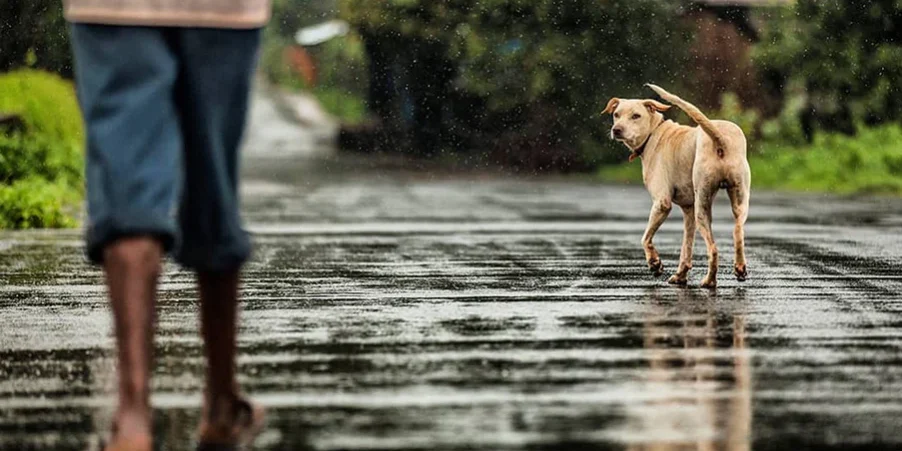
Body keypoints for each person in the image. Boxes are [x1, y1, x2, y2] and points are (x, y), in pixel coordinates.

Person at [63, 1, 271, 449]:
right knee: (212, 180)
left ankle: (133, 415)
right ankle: (220, 401)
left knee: (128, 184)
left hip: (113, 9)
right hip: (219, 11)